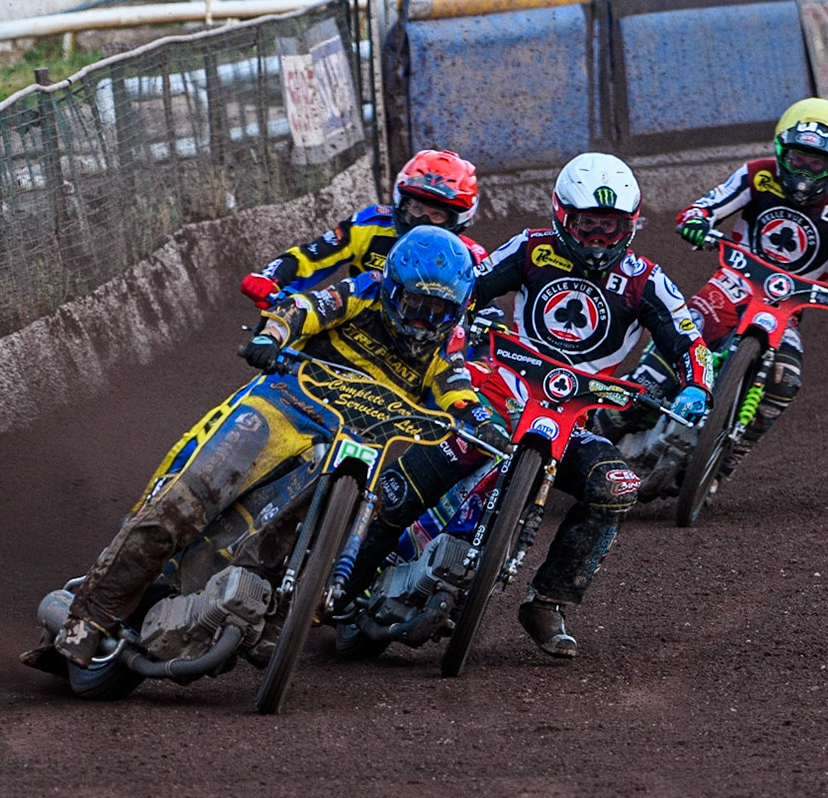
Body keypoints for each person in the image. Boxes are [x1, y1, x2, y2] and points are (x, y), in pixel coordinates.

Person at [53, 226, 509, 668]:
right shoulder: (364, 290)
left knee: (280, 540)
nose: (424, 322)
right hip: (284, 407)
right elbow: (304, 308)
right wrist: (270, 337)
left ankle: (263, 614)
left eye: (439, 311)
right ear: (392, 290)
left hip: (352, 443)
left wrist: (481, 423)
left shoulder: (447, 341)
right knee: (188, 501)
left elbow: (457, 386)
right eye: (414, 305)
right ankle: (89, 618)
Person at [347, 152, 714, 660]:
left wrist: (698, 386)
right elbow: (468, 287)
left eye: (611, 227)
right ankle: (341, 586)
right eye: (588, 225)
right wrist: (459, 325)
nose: (598, 239)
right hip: (500, 387)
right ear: (563, 215)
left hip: (573, 415)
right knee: (420, 471)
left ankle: (548, 601)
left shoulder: (645, 279)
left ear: (631, 225)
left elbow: (691, 342)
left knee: (616, 485)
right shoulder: (531, 249)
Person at [620, 97, 828, 485]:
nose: (804, 171)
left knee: (786, 378)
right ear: (781, 150)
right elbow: (706, 205)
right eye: (798, 159)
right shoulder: (757, 176)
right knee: (681, 337)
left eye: (816, 162)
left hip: (787, 308)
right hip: (730, 285)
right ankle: (608, 420)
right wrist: (696, 221)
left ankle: (728, 457)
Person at [240, 149, 487, 309]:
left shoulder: (472, 259)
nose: (422, 220)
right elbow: (311, 255)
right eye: (417, 208)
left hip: (423, 353)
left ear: (457, 220)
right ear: (402, 203)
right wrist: (271, 278)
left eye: (436, 214)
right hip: (353, 329)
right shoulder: (371, 225)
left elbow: (489, 318)